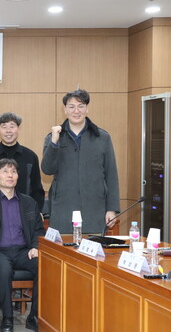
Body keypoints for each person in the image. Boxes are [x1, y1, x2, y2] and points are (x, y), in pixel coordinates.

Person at [0, 159, 45, 332]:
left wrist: (35, 246)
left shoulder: (28, 202)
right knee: (4, 269)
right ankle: (7, 317)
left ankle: (34, 316)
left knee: (43, 266)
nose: (10, 175)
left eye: (13, 171)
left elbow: (38, 229)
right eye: (5, 171)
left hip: (22, 251)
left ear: (18, 176)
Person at [41, 89, 120, 234]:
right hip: (63, 210)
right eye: (71, 107)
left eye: (81, 106)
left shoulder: (102, 137)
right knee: (62, 247)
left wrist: (111, 209)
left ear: (87, 108)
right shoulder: (54, 137)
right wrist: (54, 143)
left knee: (93, 246)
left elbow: (111, 174)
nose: (76, 111)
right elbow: (47, 169)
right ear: (65, 110)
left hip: (94, 209)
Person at [0, 112, 45, 211]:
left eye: (12, 126)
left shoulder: (30, 156)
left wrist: (37, 211)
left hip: (24, 210)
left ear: (18, 129)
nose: (8, 131)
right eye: (4, 127)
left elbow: (37, 189)